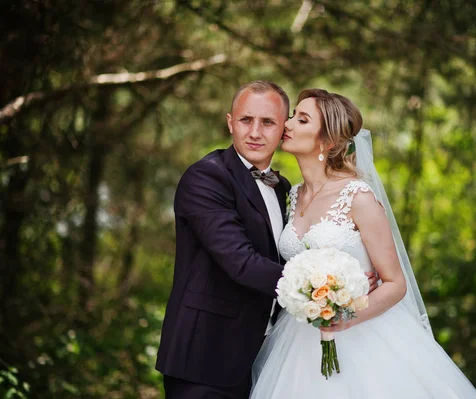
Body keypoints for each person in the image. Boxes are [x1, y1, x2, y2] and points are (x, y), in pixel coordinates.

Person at [251, 89, 476, 398]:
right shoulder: (292, 195)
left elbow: (395, 283)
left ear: (328, 141)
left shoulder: (357, 197)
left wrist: (343, 319)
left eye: (301, 119)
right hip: (297, 341)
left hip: (362, 338)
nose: (287, 124)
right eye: (293, 115)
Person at [155, 81, 377, 399]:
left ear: (283, 129)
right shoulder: (207, 176)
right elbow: (241, 262)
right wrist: (330, 289)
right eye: (246, 120)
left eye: (268, 122)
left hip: (265, 358)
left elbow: (290, 256)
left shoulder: (286, 189)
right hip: (205, 359)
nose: (255, 132)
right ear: (230, 122)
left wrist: (348, 281)